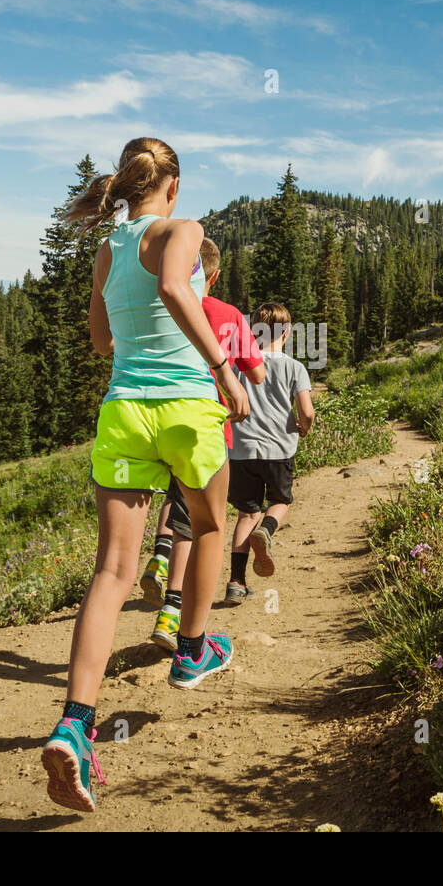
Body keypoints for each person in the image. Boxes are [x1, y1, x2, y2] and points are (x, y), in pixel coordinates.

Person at [41, 137, 249, 814]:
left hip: (124, 411)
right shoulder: (183, 231)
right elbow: (171, 285)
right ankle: (192, 649)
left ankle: (75, 723)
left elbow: (101, 340)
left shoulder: (107, 249)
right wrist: (223, 368)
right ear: (174, 184)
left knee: (113, 571)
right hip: (188, 409)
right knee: (212, 523)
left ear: (127, 185)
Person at [142, 237, 265, 650]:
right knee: (198, 524)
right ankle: (175, 619)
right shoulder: (229, 314)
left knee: (174, 507)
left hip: (159, 419)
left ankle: (159, 560)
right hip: (210, 428)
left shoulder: (167, 307)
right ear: (213, 275)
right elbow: (259, 373)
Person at [227, 302, 314, 595]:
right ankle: (267, 530)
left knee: (246, 514)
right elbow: (307, 410)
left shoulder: (240, 365)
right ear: (287, 332)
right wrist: (304, 426)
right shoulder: (295, 367)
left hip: (240, 449)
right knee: (280, 501)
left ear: (254, 331)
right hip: (279, 448)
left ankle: (236, 583)